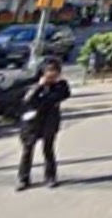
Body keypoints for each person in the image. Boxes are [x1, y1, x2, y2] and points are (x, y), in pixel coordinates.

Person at [17, 58, 71, 191]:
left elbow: (59, 96)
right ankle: (23, 179)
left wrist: (48, 91)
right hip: (32, 122)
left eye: (55, 71)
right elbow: (27, 101)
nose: (52, 74)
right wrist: (39, 86)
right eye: (49, 71)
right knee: (27, 150)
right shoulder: (34, 84)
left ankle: (50, 177)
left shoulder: (61, 85)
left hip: (50, 120)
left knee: (48, 149)